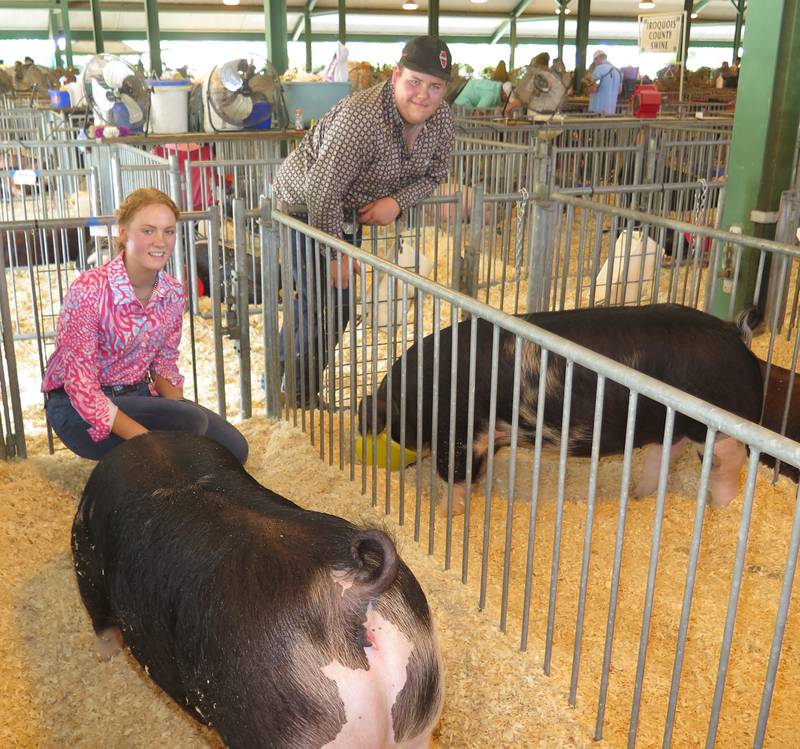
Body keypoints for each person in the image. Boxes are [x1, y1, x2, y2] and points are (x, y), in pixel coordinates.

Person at [273, 35, 456, 407]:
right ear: (395, 77)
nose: (424, 94)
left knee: (333, 306)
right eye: (414, 82)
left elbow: (436, 173)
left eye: (435, 86)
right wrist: (336, 253)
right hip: (303, 209)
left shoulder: (442, 121)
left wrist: (396, 203)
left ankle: (291, 385)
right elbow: (322, 188)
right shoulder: (362, 117)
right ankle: (292, 395)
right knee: (321, 304)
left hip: (348, 213)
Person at [42, 187, 249, 463]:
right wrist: (153, 441)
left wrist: (175, 411)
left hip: (138, 396)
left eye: (169, 231)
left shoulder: (173, 293)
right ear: (124, 233)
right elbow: (81, 386)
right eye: (148, 231)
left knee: (233, 449)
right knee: (190, 425)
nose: (160, 241)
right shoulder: (89, 288)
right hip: (76, 408)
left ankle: (169, 451)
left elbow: (164, 364)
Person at [587, 50, 621, 115]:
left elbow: (593, 88)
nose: (595, 62)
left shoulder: (599, 69)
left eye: (595, 60)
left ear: (598, 58)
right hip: (611, 110)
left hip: (598, 110)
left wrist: (586, 87)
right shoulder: (618, 72)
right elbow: (619, 90)